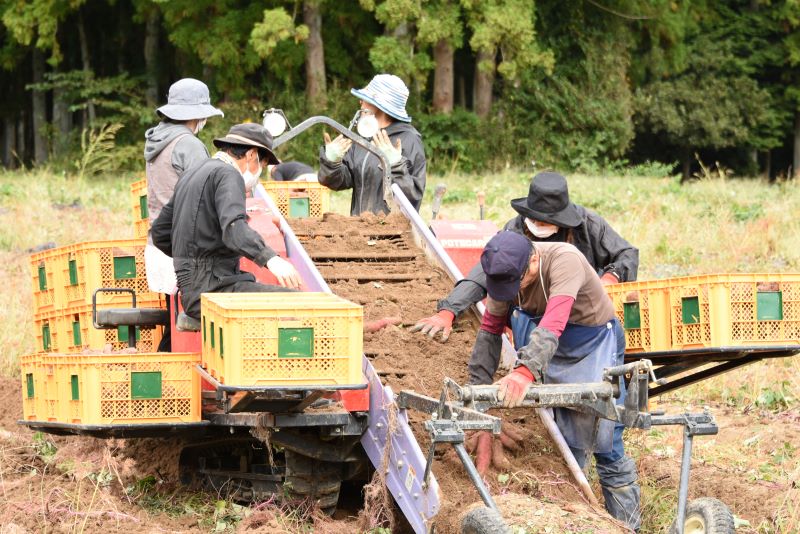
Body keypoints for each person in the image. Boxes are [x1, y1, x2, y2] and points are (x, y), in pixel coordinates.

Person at [471, 231, 641, 530]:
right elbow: (490, 329)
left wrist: (524, 371)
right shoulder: (506, 273)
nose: (509, 292)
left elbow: (554, 322)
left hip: (590, 345)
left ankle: (627, 526)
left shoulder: (565, 260)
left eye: (516, 284)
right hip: (545, 349)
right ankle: (570, 520)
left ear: (534, 260)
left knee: (606, 440)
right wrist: (476, 393)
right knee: (557, 442)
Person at [412, 171, 638, 341]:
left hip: (584, 319)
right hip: (532, 318)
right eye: (536, 219)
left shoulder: (587, 225)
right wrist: (447, 311)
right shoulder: (514, 232)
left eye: (547, 221)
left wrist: (609, 279)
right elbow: (482, 275)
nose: (540, 225)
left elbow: (627, 254)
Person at [151, 123, 302, 328]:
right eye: (262, 165)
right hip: (215, 290)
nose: (259, 173)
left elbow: (160, 232)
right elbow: (234, 229)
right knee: (297, 302)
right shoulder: (228, 175)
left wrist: (190, 259)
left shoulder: (192, 173)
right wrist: (272, 260)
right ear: (251, 155)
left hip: (192, 292)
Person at [143, 78, 223, 350]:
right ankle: (166, 381)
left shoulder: (157, 139)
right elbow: (205, 192)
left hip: (160, 242)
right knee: (183, 332)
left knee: (172, 322)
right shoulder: (188, 144)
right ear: (197, 115)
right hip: (185, 248)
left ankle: (164, 376)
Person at [318, 74, 426, 215]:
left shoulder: (409, 139)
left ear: (379, 105)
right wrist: (332, 163)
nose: (360, 102)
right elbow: (341, 181)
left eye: (366, 99)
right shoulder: (364, 138)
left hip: (394, 234)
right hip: (361, 229)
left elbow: (413, 197)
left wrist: (396, 166)